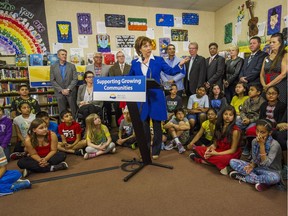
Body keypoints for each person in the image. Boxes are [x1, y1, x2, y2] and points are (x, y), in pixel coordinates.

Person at [128, 36, 189, 160]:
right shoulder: (135, 63)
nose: (149, 48)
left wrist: (180, 65)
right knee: (144, 126)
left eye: (150, 45)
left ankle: (156, 150)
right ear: (139, 49)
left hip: (156, 96)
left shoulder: (158, 60)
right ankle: (145, 150)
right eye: (145, 46)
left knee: (157, 125)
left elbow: (171, 71)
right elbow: (130, 78)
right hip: (142, 98)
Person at [229, 119, 282, 192]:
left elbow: (266, 164)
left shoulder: (275, 145)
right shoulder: (254, 141)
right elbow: (254, 159)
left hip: (270, 171)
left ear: (270, 133)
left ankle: (245, 178)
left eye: (262, 132)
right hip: (257, 168)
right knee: (232, 161)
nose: (258, 134)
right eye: (257, 131)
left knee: (275, 178)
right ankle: (262, 182)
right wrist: (251, 166)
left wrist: (262, 146)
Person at [190, 106, 242, 175]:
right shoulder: (218, 126)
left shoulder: (235, 130)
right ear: (222, 115)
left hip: (229, 153)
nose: (227, 116)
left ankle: (203, 161)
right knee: (197, 148)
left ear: (234, 117)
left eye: (230, 115)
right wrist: (210, 148)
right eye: (226, 114)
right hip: (219, 149)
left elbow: (233, 150)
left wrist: (216, 153)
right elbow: (215, 144)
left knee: (223, 159)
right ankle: (216, 164)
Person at [237, 84, 266, 156]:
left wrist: (250, 121)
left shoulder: (262, 102)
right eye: (249, 90)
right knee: (235, 124)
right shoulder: (247, 100)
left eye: (252, 90)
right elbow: (242, 111)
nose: (249, 91)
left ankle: (248, 146)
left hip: (255, 121)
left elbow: (260, 116)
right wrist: (244, 118)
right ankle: (235, 145)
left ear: (258, 92)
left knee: (250, 129)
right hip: (245, 119)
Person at [50, 49, 78, 118]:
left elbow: (75, 79)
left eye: (65, 54)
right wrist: (61, 90)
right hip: (60, 93)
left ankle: (75, 125)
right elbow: (52, 80)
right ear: (58, 56)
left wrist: (68, 89)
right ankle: (63, 126)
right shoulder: (53, 67)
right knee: (62, 112)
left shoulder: (72, 66)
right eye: (62, 54)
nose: (64, 56)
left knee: (74, 110)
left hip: (70, 92)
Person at [260, 32, 287, 104]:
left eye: (274, 42)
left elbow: (283, 74)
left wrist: (269, 85)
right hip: (266, 87)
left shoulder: (285, 55)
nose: (271, 44)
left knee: (278, 107)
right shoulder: (266, 57)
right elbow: (262, 74)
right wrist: (264, 85)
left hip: (279, 86)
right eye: (270, 42)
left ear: (280, 43)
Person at [86, 52, 112, 127]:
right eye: (97, 57)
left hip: (105, 90)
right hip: (93, 90)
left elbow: (110, 79)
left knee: (108, 107)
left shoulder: (107, 67)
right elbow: (87, 79)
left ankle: (108, 124)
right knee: (95, 107)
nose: (99, 59)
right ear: (93, 58)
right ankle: (93, 124)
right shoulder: (88, 68)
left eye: (100, 57)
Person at [109, 51, 131, 125]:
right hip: (117, 92)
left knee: (128, 110)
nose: (121, 57)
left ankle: (129, 126)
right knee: (118, 109)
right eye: (119, 56)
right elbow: (112, 80)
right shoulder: (112, 68)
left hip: (128, 92)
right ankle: (119, 127)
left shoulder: (130, 67)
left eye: (122, 56)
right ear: (117, 58)